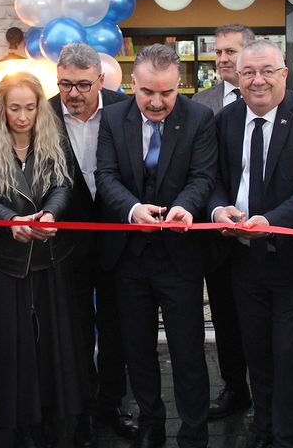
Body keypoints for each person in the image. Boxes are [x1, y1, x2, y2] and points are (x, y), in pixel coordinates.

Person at [209, 39, 293, 448]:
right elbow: (212, 180)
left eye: (267, 71)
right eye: (248, 72)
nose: (257, 80)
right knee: (258, 354)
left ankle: (290, 438)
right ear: (236, 76)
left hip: (292, 262)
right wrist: (217, 211)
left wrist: (273, 221)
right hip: (243, 259)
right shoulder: (226, 119)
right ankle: (264, 432)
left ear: (284, 73)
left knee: (290, 354)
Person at [96, 44, 216, 448]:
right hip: (129, 255)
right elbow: (106, 176)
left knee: (188, 352)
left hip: (179, 256)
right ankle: (151, 425)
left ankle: (194, 431)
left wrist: (184, 207)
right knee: (138, 349)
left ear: (178, 85)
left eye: (166, 92)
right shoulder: (114, 118)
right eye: (148, 92)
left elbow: (203, 176)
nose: (157, 101)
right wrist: (132, 210)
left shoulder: (199, 118)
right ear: (134, 84)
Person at [0, 71, 82, 448]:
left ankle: (52, 418)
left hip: (50, 260)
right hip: (7, 264)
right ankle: (18, 423)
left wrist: (51, 215)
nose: (22, 116)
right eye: (14, 108)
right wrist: (10, 222)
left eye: (30, 108)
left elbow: (63, 187)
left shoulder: (56, 143)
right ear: (1, 109)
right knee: (12, 346)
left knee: (51, 345)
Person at [49, 43, 135, 448]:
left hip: (119, 238)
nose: (73, 94)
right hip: (65, 242)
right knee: (76, 329)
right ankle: (81, 407)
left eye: (83, 84)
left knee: (117, 328)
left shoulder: (125, 110)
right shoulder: (44, 113)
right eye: (65, 83)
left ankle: (113, 403)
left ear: (101, 80)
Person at [192, 24, 254, 421]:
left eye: (231, 51)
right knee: (226, 319)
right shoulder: (201, 103)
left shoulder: (276, 96)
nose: (223, 59)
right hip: (216, 235)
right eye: (219, 52)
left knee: (261, 319)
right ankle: (235, 388)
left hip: (263, 233)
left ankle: (267, 388)